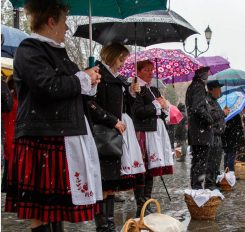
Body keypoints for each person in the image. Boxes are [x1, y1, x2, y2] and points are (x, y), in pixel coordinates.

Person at [4, 1, 103, 231]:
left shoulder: (58, 52)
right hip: (41, 136)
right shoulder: (30, 49)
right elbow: (47, 86)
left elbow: (69, 88)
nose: (67, 28)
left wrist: (89, 79)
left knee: (55, 208)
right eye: (64, 21)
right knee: (41, 209)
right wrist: (82, 79)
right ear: (51, 21)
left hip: (59, 134)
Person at [88, 42, 142, 231]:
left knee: (110, 184)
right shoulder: (98, 75)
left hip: (114, 136)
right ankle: (103, 226)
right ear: (111, 56)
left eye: (124, 60)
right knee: (102, 183)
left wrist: (132, 93)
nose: (122, 64)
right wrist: (112, 120)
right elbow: (91, 105)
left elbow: (125, 107)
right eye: (121, 59)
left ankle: (109, 224)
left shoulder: (118, 80)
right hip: (102, 135)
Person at [132, 60, 173, 217]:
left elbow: (160, 113)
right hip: (144, 132)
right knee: (143, 169)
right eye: (147, 70)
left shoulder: (154, 89)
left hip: (156, 132)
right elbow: (138, 112)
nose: (151, 73)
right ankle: (140, 204)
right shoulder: (136, 87)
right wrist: (155, 105)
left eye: (152, 70)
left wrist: (164, 107)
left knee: (151, 170)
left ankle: (147, 201)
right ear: (139, 71)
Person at [185, 66, 213, 189]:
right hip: (200, 130)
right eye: (207, 73)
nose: (208, 75)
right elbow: (198, 108)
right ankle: (197, 187)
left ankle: (195, 186)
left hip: (196, 130)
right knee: (200, 160)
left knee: (197, 160)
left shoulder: (193, 86)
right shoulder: (198, 87)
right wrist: (209, 119)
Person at [205, 80, 227, 190]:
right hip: (212, 135)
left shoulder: (214, 101)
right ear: (211, 90)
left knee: (217, 161)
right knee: (211, 161)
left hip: (218, 136)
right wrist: (223, 113)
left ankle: (214, 181)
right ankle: (210, 184)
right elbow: (211, 116)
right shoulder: (208, 101)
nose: (220, 91)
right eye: (218, 89)